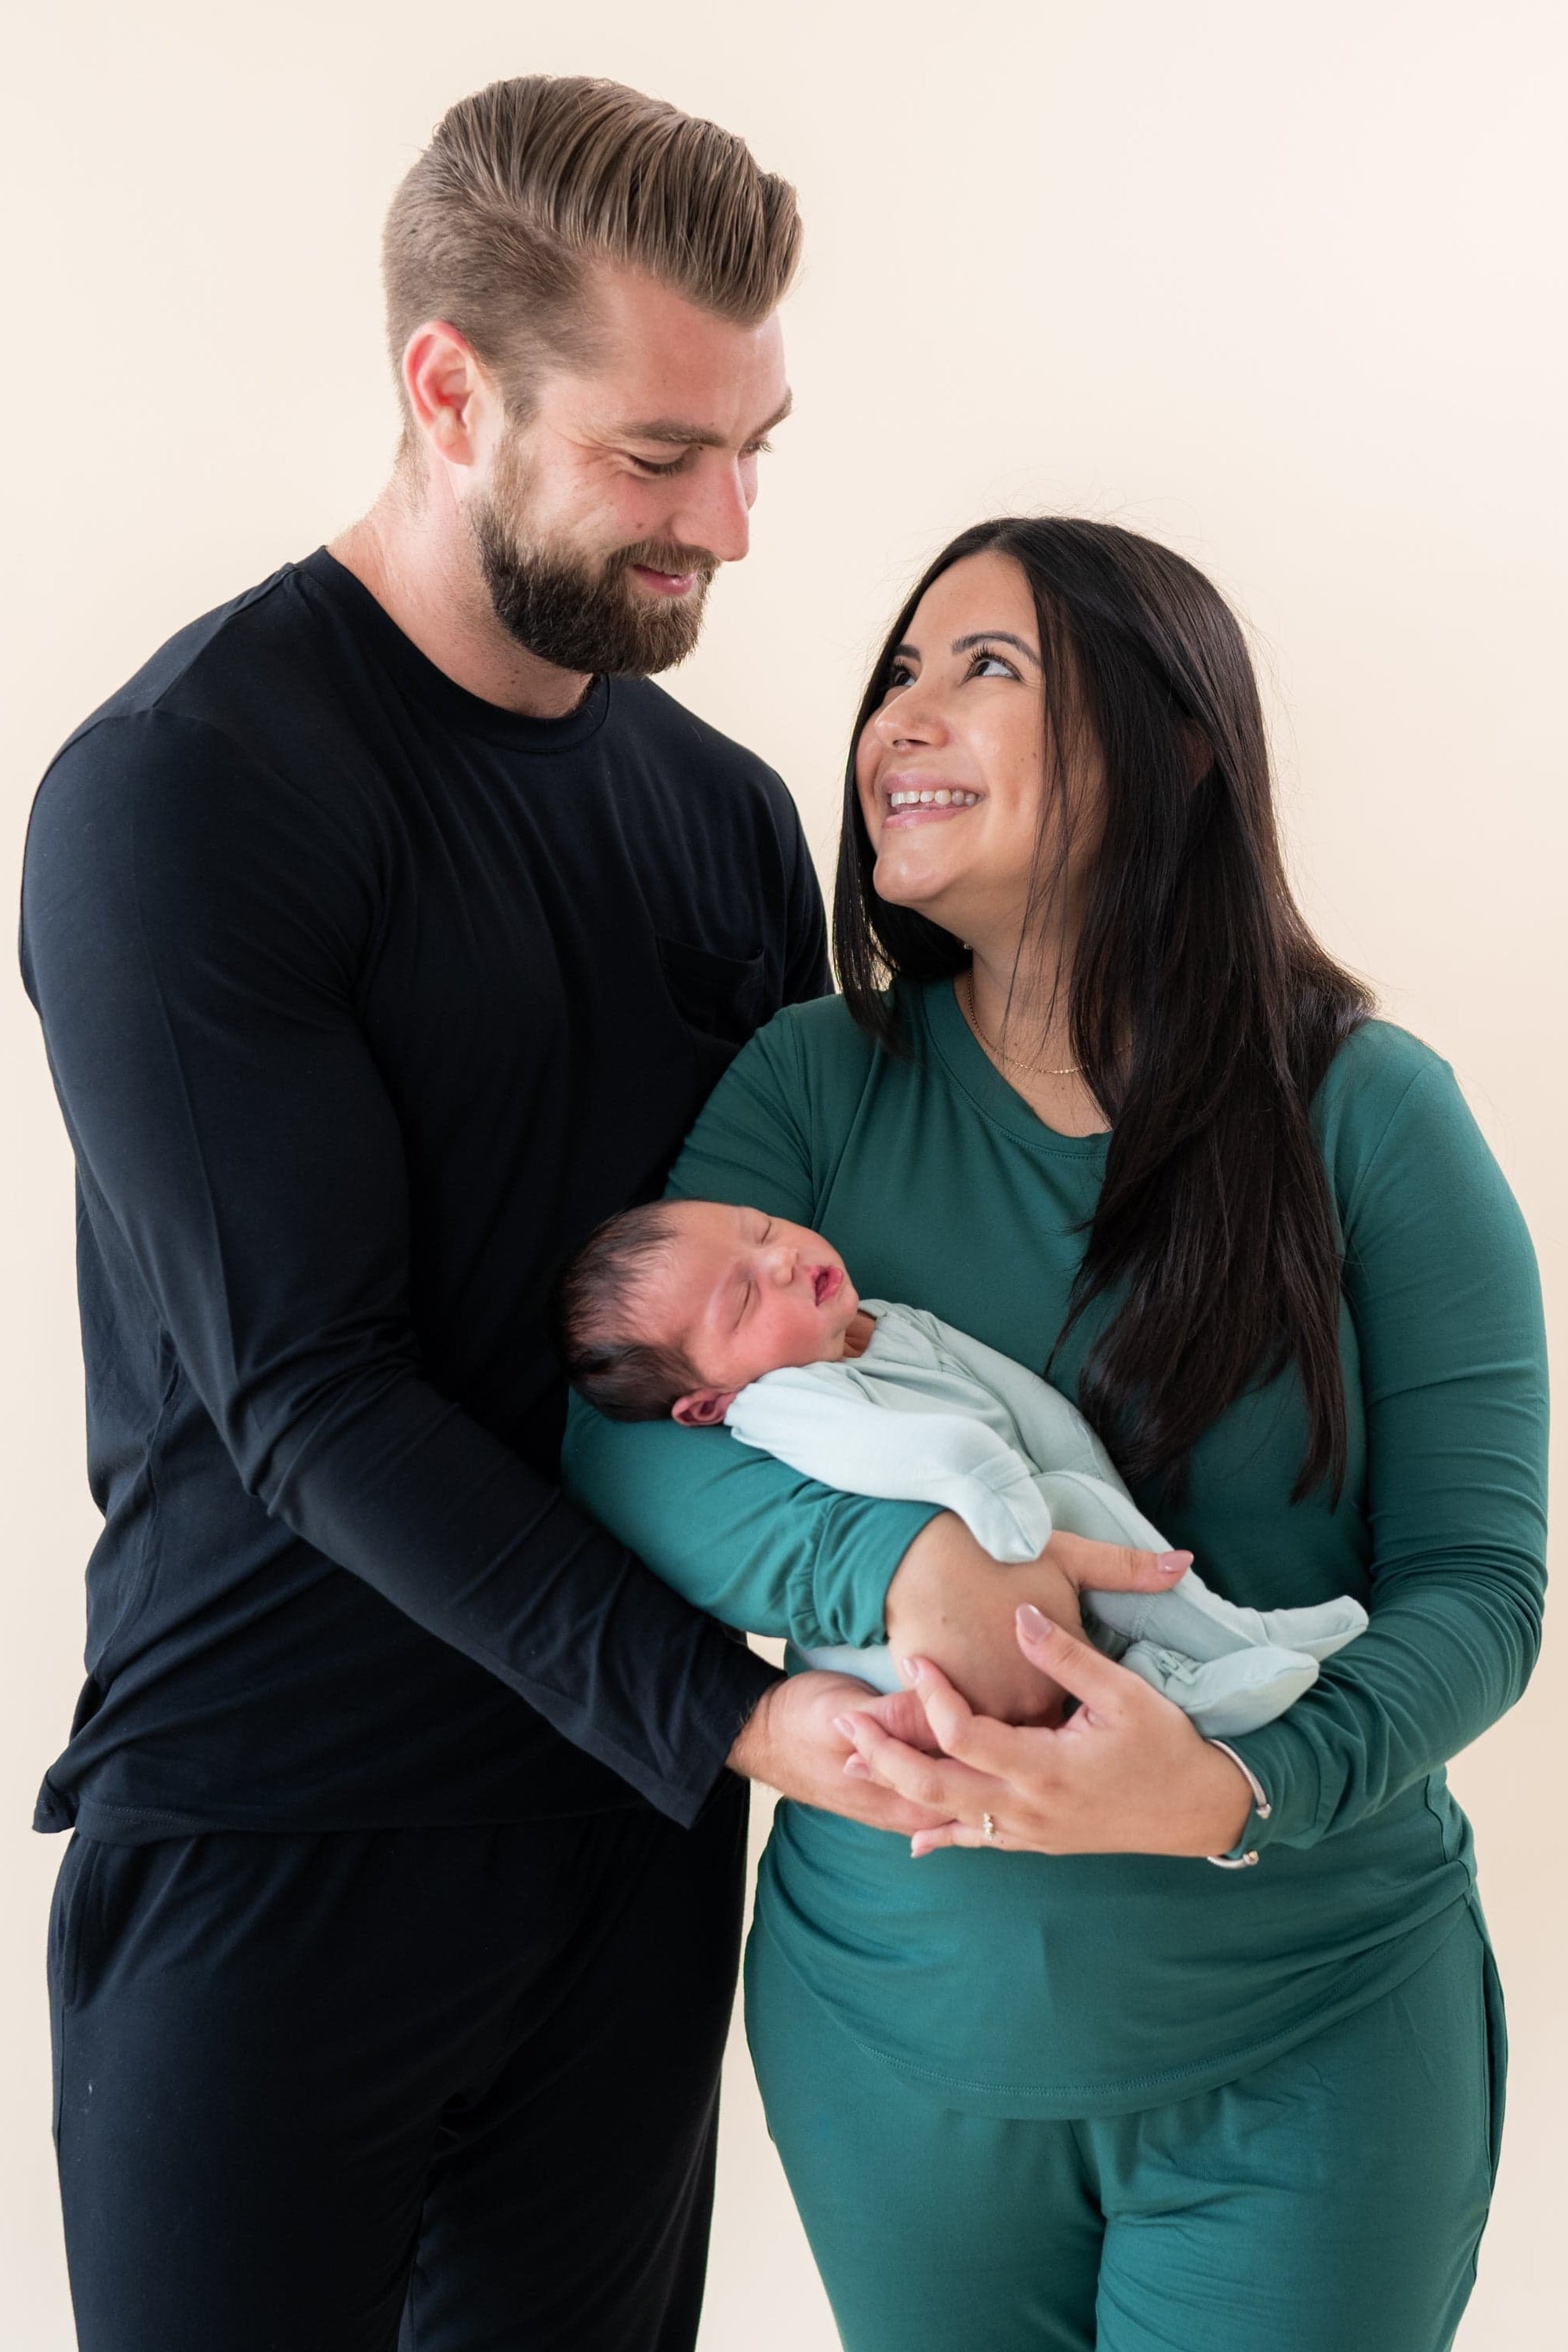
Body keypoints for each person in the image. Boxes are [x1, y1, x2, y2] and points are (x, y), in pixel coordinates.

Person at [20, 75, 1132, 2352]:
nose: (724, 524)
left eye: (756, 449)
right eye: (655, 456)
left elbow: (816, 1301)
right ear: (447, 386)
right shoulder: (185, 795)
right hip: (282, 1825)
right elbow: (309, 1390)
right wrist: (730, 1720)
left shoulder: (719, 817)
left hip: (626, 1834)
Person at [563, 517, 1549, 2352]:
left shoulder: (1366, 1111)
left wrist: (1241, 1785)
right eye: (898, 670)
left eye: (985, 667)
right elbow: (624, 1440)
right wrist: (911, 1558)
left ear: (1172, 752)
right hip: (892, 2063)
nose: (897, 720)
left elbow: (1480, 1586)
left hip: (1308, 2042)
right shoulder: (807, 1083)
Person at [553, 1193, 1369, 1734]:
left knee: (1079, 1502)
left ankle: (1201, 1657)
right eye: (741, 1300)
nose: (779, 1262)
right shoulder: (782, 1401)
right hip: (920, 1655)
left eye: (760, 1229)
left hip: (1018, 1537)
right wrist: (1023, 1511)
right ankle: (1196, 1674)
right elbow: (922, 1452)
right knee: (1073, 1515)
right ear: (707, 1403)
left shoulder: (888, 1325)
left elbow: (1032, 1413)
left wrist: (1074, 1489)